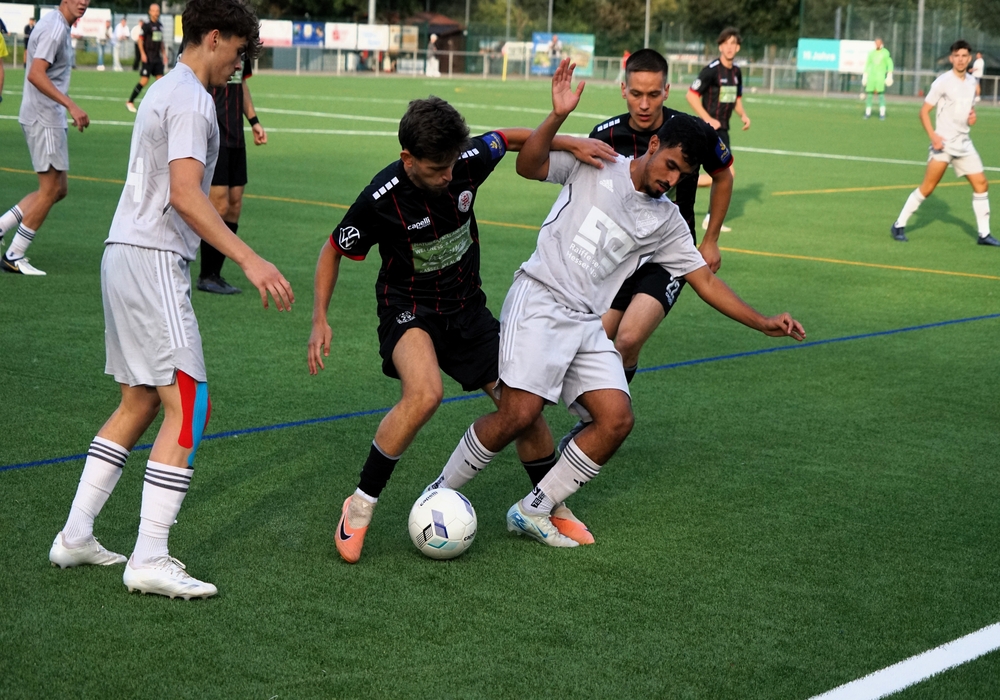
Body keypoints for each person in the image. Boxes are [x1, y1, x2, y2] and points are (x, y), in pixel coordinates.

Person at [429, 60, 805, 548]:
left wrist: (762, 321)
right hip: (541, 298)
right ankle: (438, 494)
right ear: (653, 145)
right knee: (519, 413)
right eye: (670, 165)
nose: (672, 179)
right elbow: (528, 166)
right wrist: (558, 118)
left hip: (585, 322)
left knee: (616, 419)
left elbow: (704, 282)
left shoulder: (668, 222)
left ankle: (532, 510)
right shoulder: (598, 162)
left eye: (683, 174)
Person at [48, 0, 294, 600]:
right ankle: (150, 556)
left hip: (124, 251)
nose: (240, 65)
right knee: (190, 401)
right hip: (152, 256)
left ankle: (75, 535)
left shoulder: (166, 88)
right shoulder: (190, 99)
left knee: (139, 400)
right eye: (239, 52)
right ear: (214, 38)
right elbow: (185, 194)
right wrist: (249, 258)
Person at [308, 96, 617, 563]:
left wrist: (570, 140)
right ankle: (360, 504)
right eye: (437, 169)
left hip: (468, 311)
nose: (448, 176)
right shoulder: (380, 199)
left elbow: (508, 139)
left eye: (452, 165)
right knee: (425, 394)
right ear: (408, 159)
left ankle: (547, 506)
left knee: (522, 408)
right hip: (409, 310)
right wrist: (320, 319)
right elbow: (333, 249)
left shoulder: (465, 160)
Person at [557, 48, 734, 452]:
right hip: (620, 254)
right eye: (636, 93)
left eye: (653, 94)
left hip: (669, 254)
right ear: (624, 90)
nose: (644, 103)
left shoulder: (691, 132)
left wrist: (710, 239)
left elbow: (723, 176)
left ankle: (597, 424)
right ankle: (600, 413)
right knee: (597, 339)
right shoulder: (606, 134)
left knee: (629, 337)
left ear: (666, 91)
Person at [0, 0, 91, 276]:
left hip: (45, 116)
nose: (83, 2)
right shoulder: (55, 28)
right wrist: (70, 105)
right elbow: (36, 74)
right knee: (50, 189)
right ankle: (14, 255)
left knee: (58, 189)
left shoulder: (56, 23)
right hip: (44, 118)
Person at [891, 40, 997, 247]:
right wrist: (934, 137)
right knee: (928, 188)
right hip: (944, 144)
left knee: (982, 184)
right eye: (957, 56)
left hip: (964, 143)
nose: (960, 60)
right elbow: (923, 112)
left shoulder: (972, 83)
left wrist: (972, 117)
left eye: (964, 56)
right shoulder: (942, 82)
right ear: (951, 58)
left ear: (969, 58)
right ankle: (898, 224)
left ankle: (984, 234)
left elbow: (968, 111)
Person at [197, 54, 266, 294]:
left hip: (236, 135)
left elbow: (241, 84)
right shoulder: (213, 47)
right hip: (215, 133)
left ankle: (215, 274)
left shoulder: (242, 50)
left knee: (235, 203)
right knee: (219, 204)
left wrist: (254, 121)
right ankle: (206, 274)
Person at [687, 27, 750, 232]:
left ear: (738, 47)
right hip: (709, 130)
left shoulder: (736, 72)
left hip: (723, 130)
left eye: (733, 43)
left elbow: (736, 99)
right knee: (727, 173)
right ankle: (708, 216)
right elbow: (691, 95)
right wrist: (708, 119)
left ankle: (685, 185)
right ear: (720, 46)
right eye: (726, 43)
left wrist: (743, 115)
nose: (730, 47)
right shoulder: (712, 70)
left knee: (723, 174)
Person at [126, 4, 167, 112]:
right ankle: (130, 101)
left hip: (157, 58)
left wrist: (164, 55)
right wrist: (143, 54)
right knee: (144, 80)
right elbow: (140, 40)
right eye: (154, 10)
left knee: (161, 82)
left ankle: (160, 106)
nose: (156, 13)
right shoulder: (146, 25)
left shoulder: (160, 25)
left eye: (158, 10)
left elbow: (161, 42)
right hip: (148, 57)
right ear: (150, 12)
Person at [862, 37, 894, 120]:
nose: (877, 44)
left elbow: (889, 64)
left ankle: (882, 114)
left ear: (881, 43)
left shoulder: (885, 52)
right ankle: (867, 113)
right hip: (871, 76)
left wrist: (889, 75)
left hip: (880, 77)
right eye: (876, 43)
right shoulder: (871, 53)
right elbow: (868, 64)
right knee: (869, 95)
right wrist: (865, 75)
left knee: (881, 95)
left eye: (879, 43)